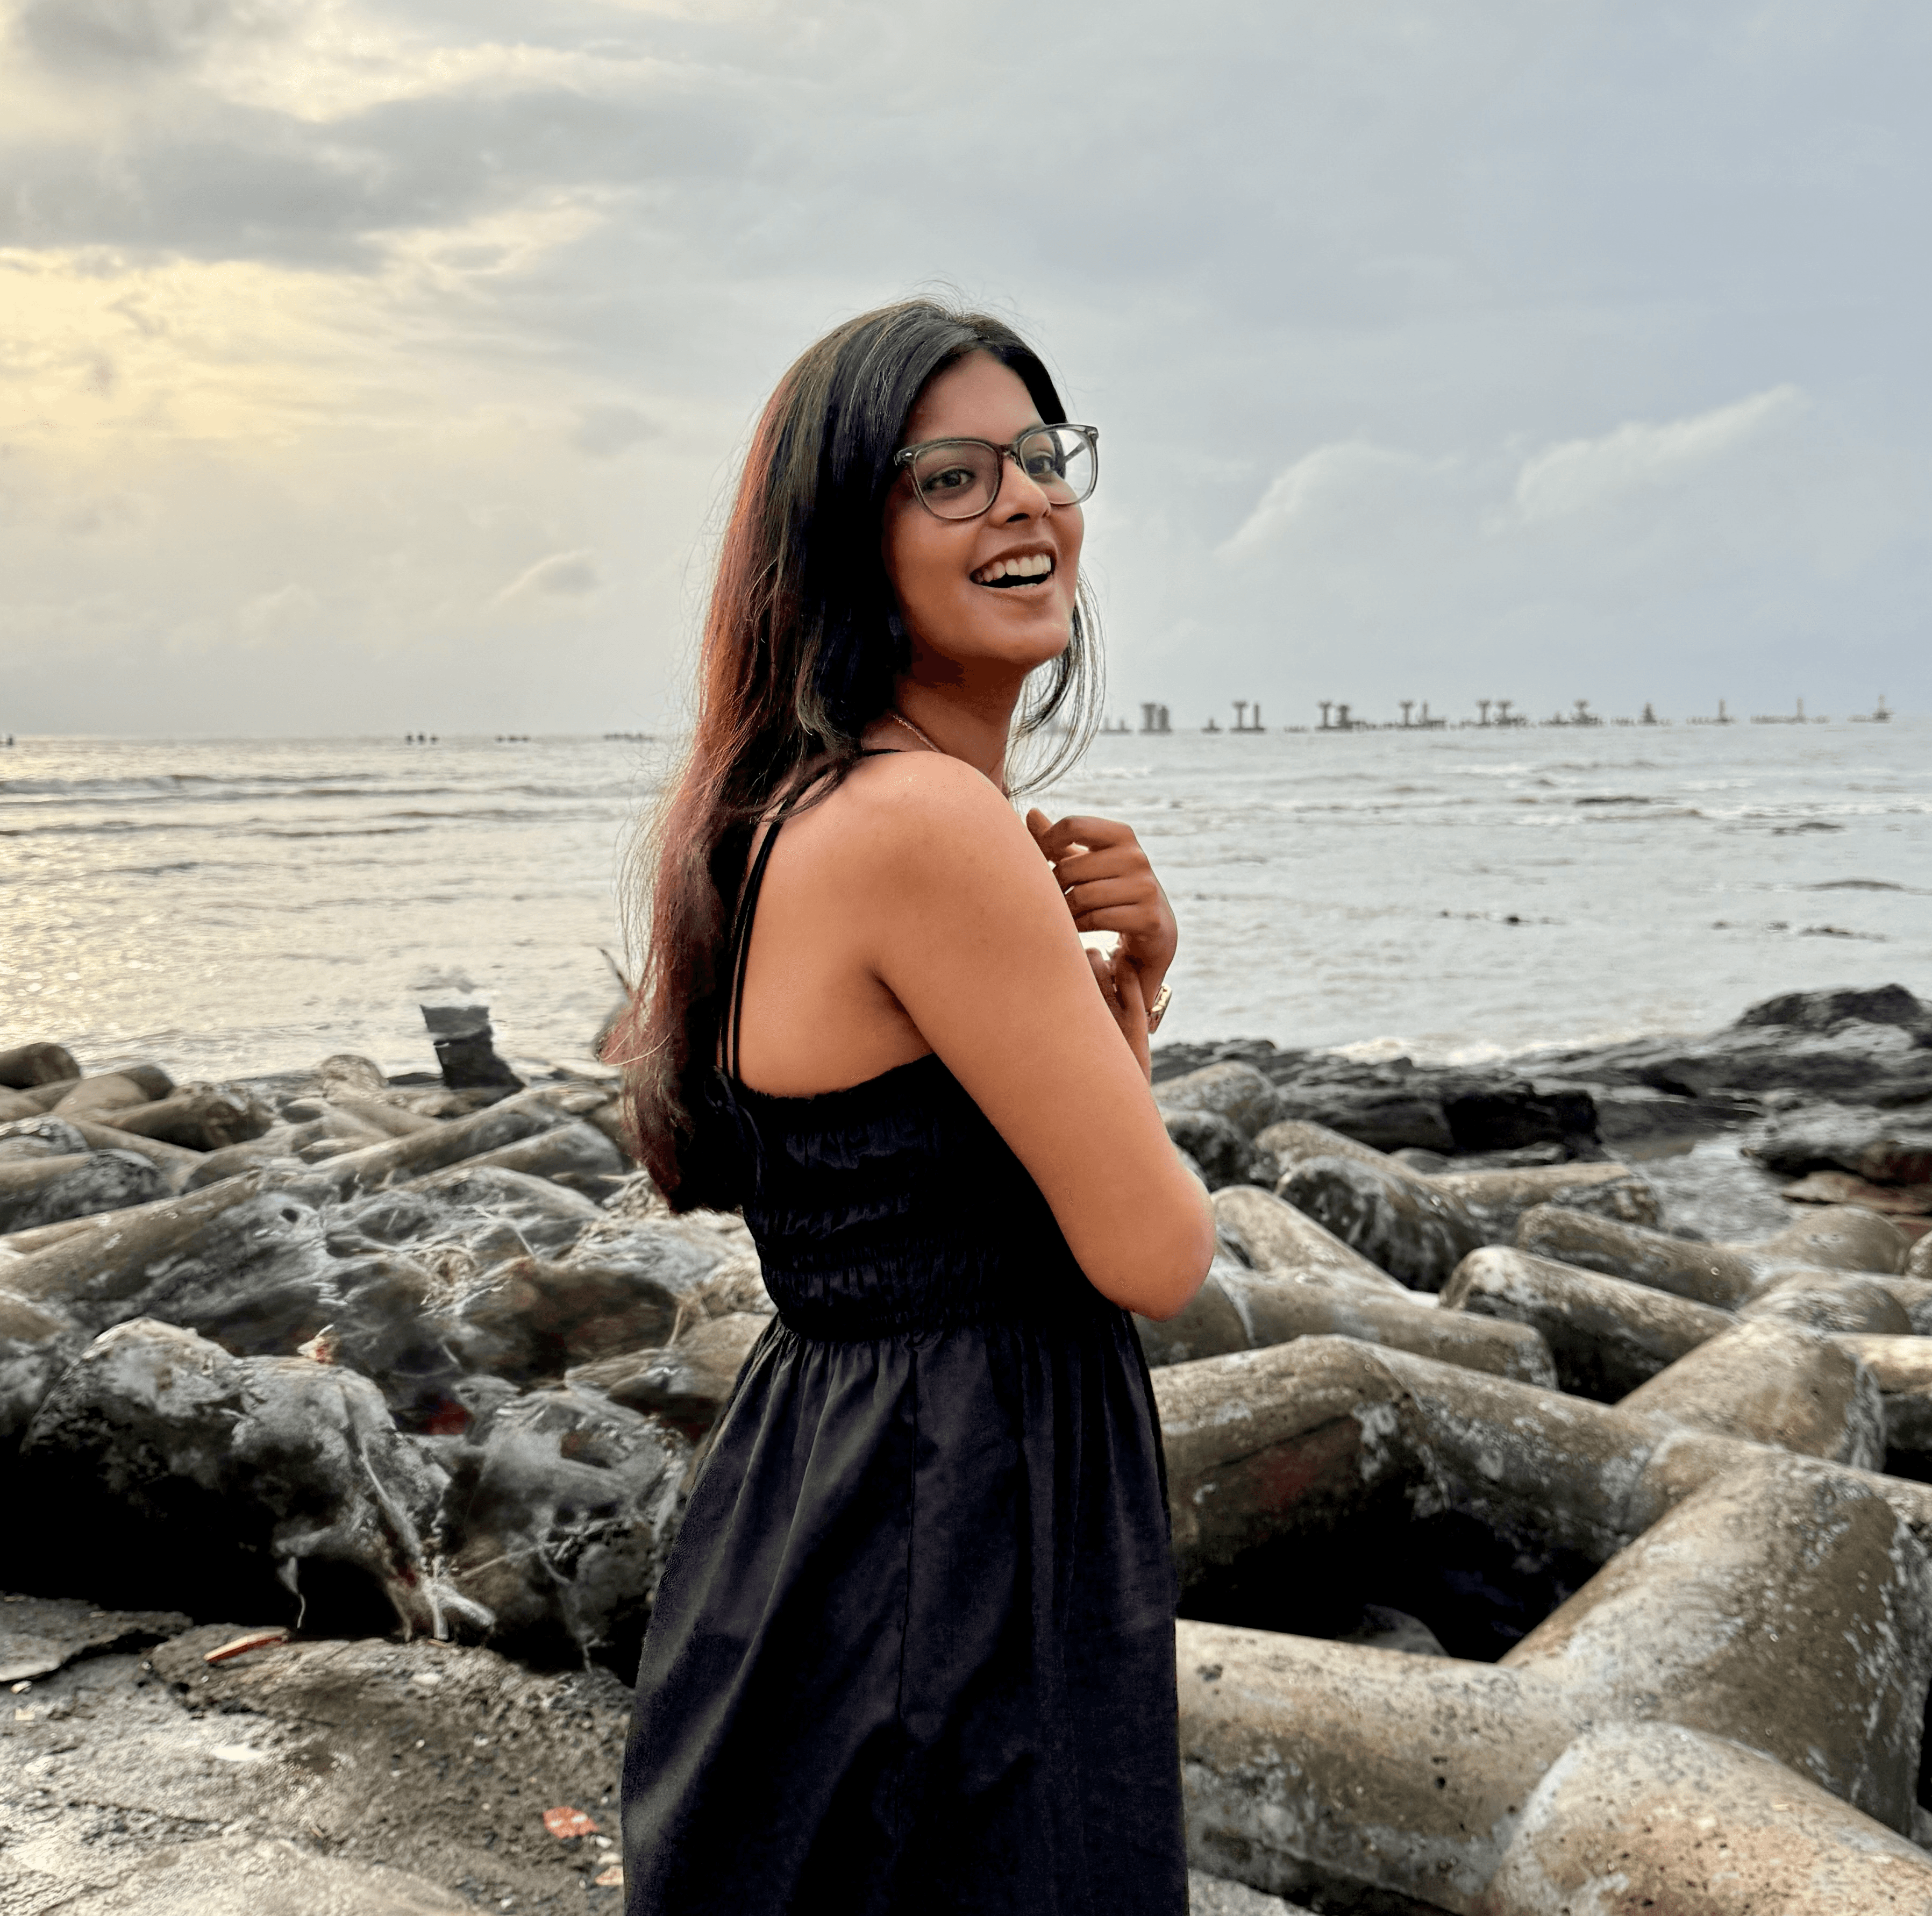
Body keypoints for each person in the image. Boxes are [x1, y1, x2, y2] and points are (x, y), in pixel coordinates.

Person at [615, 298, 1215, 1914]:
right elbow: (1152, 1253)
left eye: (1038, 457)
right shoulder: (927, 823)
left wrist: (1127, 986)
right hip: (957, 1530)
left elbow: (1000, 1205)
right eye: (948, 477)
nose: (1024, 502)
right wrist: (1131, 992)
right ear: (839, 538)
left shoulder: (801, 803)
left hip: (854, 1491)